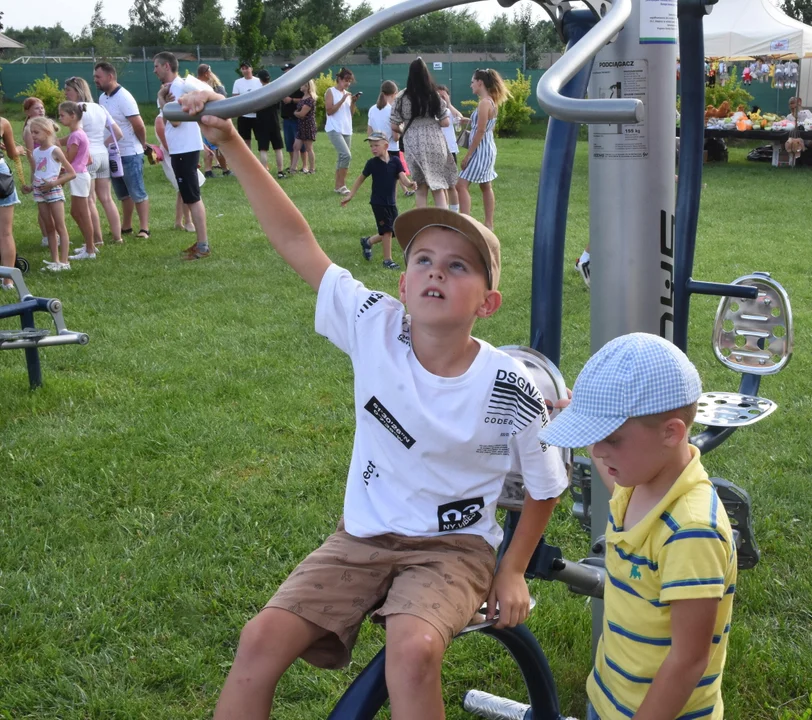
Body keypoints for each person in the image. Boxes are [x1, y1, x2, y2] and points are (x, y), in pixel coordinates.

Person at [177, 86, 568, 720]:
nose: (437, 271)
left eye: (459, 266)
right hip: (360, 537)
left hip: (455, 548)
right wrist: (231, 142)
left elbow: (546, 484)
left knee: (410, 650)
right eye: (423, 260)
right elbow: (297, 239)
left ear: (487, 304)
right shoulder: (375, 326)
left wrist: (513, 569)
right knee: (259, 640)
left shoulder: (509, 386)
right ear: (403, 282)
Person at [538, 332, 737, 720]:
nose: (596, 450)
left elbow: (688, 659)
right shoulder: (639, 485)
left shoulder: (691, 531)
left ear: (671, 433)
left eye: (610, 438)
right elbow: (614, 479)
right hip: (611, 696)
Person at [152, 52, 213, 260]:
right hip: (182, 148)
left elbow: (176, 121)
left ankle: (203, 246)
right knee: (189, 196)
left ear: (167, 66)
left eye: (156, 66)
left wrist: (161, 100)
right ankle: (200, 242)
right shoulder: (172, 88)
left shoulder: (176, 89)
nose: (154, 70)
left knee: (193, 197)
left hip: (184, 148)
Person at [340, 130, 417, 270]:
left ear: (386, 146)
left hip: (391, 202)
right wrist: (350, 195)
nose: (373, 148)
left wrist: (410, 184)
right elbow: (360, 179)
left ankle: (368, 242)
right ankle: (387, 260)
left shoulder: (395, 161)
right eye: (371, 146)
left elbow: (403, 179)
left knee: (393, 231)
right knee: (387, 231)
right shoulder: (372, 164)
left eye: (376, 145)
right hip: (378, 202)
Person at [63, 76, 124, 246]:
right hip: (103, 155)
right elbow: (118, 133)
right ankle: (117, 237)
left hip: (87, 157)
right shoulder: (100, 107)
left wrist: (57, 141)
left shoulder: (77, 109)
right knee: (107, 198)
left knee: (90, 200)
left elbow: (77, 136)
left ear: (77, 91)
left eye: (68, 89)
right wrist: (102, 146)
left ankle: (97, 239)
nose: (65, 93)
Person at [94, 61, 151, 239]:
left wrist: (142, 143)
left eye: (98, 76)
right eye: (94, 77)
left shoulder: (124, 97)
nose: (95, 80)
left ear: (110, 76)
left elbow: (139, 125)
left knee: (137, 192)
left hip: (130, 152)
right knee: (122, 194)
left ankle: (144, 228)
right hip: (113, 153)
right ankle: (126, 226)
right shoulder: (103, 98)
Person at [391, 58, 453, 209]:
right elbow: (446, 122)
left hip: (413, 143)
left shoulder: (401, 97)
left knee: (420, 189)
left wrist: (404, 130)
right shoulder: (434, 95)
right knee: (438, 187)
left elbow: (393, 125)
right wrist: (431, 124)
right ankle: (443, 224)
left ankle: (423, 225)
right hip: (435, 142)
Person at [457, 69, 508, 229]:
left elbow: (480, 130)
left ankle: (465, 223)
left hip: (481, 151)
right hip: (487, 149)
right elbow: (484, 126)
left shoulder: (484, 102)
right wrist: (466, 120)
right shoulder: (490, 101)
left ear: (480, 82)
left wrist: (468, 155)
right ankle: (488, 224)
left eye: (473, 81)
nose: (471, 85)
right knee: (486, 186)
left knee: (461, 185)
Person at [25, 117, 77, 271]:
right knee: (49, 228)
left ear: (47, 132)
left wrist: (54, 183)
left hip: (53, 191)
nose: (33, 136)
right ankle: (54, 261)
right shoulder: (35, 151)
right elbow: (37, 172)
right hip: (40, 191)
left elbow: (71, 173)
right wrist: (30, 186)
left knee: (60, 226)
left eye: (36, 132)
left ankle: (64, 261)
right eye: (31, 132)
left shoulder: (55, 150)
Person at [57, 102, 98, 261]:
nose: (60, 118)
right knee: (76, 212)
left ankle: (90, 249)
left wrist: (56, 155)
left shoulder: (75, 135)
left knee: (83, 213)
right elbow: (87, 158)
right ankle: (90, 245)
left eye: (62, 115)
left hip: (79, 176)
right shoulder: (78, 133)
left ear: (73, 116)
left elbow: (68, 158)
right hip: (79, 175)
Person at [154, 86, 197, 232]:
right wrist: (176, 155)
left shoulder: (175, 114)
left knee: (182, 190)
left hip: (181, 152)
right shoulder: (161, 118)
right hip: (172, 155)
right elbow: (166, 140)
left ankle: (179, 222)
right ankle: (188, 221)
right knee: (184, 189)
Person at [22, 98, 58, 249]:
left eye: (42, 107)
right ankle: (46, 236)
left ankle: (53, 235)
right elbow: (30, 153)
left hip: (48, 169)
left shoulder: (42, 126)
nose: (41, 110)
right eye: (37, 108)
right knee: (43, 205)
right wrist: (36, 171)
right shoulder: (29, 129)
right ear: (28, 112)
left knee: (50, 203)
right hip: (39, 170)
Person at [368, 80, 409, 199]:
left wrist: (375, 145)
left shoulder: (372, 109)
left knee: (380, 180)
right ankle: (392, 204)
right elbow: (396, 137)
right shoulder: (392, 110)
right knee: (393, 183)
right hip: (391, 148)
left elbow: (369, 131)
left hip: (378, 149)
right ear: (394, 94)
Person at [1, 111, 27, 291]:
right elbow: (12, 153)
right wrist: (19, 150)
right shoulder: (3, 122)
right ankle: (8, 281)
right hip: (1, 176)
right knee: (5, 233)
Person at [325, 67, 360, 195]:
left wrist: (353, 103)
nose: (348, 83)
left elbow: (349, 114)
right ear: (339, 79)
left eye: (350, 81)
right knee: (346, 155)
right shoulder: (331, 91)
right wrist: (342, 100)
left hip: (346, 128)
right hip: (334, 128)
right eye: (346, 80)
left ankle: (337, 186)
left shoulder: (347, 94)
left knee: (342, 157)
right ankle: (342, 185)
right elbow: (329, 111)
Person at [196, 64, 230, 176]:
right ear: (207, 73)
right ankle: (223, 170)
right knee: (217, 147)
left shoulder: (196, 86)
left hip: (202, 119)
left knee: (209, 147)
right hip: (212, 120)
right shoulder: (213, 88)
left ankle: (209, 170)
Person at [254, 69, 286, 178]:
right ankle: (280, 172)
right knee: (278, 148)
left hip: (261, 122)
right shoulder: (274, 92)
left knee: (263, 149)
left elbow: (254, 107)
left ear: (260, 80)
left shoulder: (258, 93)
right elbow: (278, 107)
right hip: (274, 121)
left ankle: (264, 174)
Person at [436, 85, 462, 212]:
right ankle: (445, 210)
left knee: (451, 184)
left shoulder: (449, 111)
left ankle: (454, 212)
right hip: (436, 150)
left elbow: (460, 118)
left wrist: (449, 103)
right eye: (438, 96)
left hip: (450, 150)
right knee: (440, 185)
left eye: (443, 96)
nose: (441, 99)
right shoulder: (434, 111)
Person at [279, 63, 305, 174]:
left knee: (301, 144)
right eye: (284, 71)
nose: (285, 73)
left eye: (288, 70)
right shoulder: (282, 84)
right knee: (289, 143)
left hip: (297, 118)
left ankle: (304, 166)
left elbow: (306, 99)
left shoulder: (300, 84)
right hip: (286, 118)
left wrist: (291, 100)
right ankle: (292, 165)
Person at [231, 61, 262, 150]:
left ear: (251, 69)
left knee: (260, 139)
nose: (245, 70)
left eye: (247, 68)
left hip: (257, 116)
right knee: (245, 140)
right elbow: (235, 99)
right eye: (243, 69)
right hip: (244, 116)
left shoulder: (258, 81)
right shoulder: (238, 82)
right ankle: (249, 160)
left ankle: (262, 161)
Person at [293, 80, 317, 174]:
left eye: (303, 84)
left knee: (309, 148)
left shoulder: (310, 99)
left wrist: (295, 113)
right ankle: (293, 168)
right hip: (301, 125)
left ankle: (312, 169)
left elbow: (302, 114)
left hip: (308, 125)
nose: (301, 86)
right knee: (296, 146)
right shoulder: (303, 98)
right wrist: (297, 113)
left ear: (307, 87)